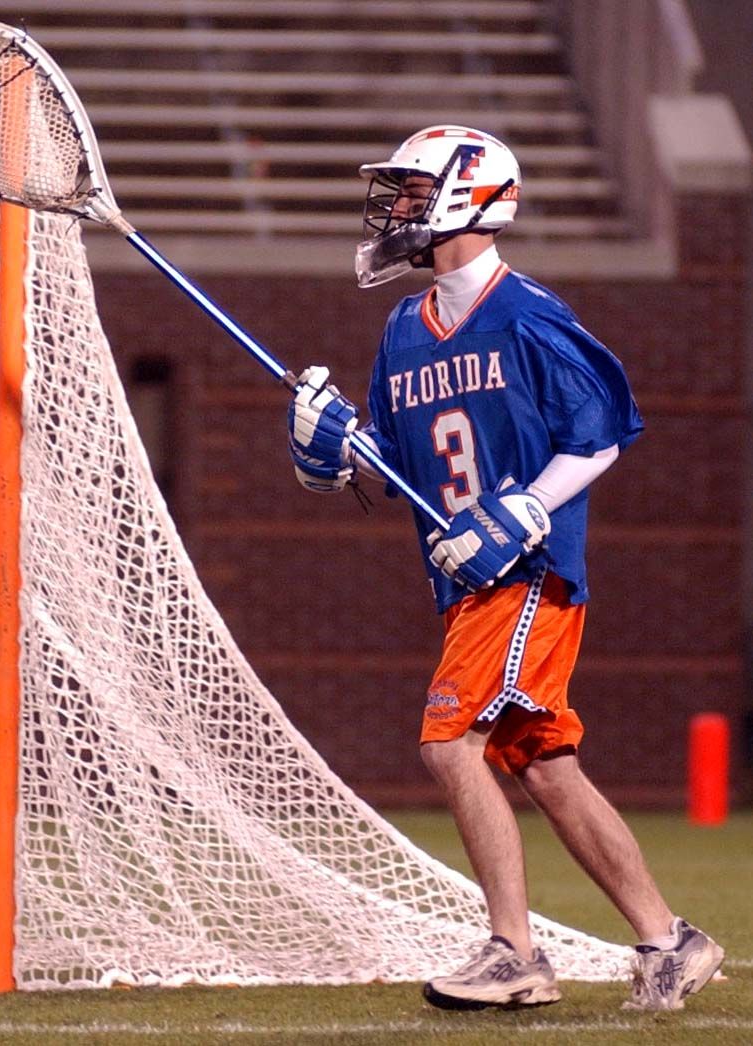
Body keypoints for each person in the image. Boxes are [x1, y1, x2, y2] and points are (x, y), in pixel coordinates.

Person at [286, 125, 724, 1011]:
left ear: (469, 197)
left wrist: (528, 508)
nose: (398, 210)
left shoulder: (525, 313)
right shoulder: (404, 326)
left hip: (524, 571)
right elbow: (401, 465)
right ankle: (669, 940)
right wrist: (336, 449)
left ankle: (514, 952)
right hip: (462, 580)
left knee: (450, 741)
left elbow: (602, 431)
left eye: (414, 192)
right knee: (544, 764)